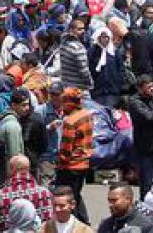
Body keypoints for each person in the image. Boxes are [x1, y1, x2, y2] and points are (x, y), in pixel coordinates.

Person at [55, 88, 93, 224]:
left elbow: (66, 150)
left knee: (67, 197)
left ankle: (74, 224)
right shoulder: (86, 114)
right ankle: (84, 221)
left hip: (71, 166)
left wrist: (59, 163)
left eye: (64, 102)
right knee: (75, 194)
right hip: (84, 163)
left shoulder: (70, 121)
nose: (62, 105)